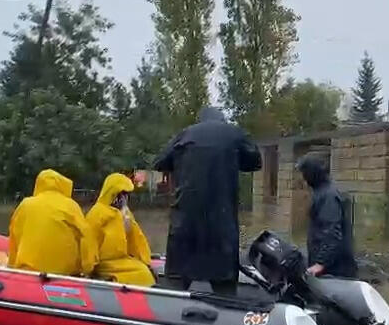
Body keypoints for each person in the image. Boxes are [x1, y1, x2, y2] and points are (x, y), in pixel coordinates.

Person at [153, 107, 262, 295]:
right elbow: (255, 162)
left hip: (186, 223)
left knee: (177, 283)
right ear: (222, 119)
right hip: (221, 223)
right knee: (224, 285)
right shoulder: (234, 134)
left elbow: (159, 162)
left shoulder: (184, 135)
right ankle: (227, 314)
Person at [8, 169, 97, 276]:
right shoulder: (71, 206)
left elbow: (14, 237)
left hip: (27, 271)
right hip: (62, 273)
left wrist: (11, 267)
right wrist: (87, 268)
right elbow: (86, 236)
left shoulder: (25, 204)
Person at [86, 173, 154, 287]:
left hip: (121, 260)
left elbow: (137, 241)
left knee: (143, 271)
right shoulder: (97, 213)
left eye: (126, 194)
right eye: (121, 194)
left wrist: (146, 261)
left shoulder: (126, 214)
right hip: (104, 263)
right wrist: (88, 269)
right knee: (142, 274)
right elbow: (89, 241)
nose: (124, 198)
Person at [296, 155, 357, 278]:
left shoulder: (328, 196)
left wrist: (321, 263)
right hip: (332, 265)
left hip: (335, 269)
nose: (302, 179)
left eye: (303, 173)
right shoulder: (323, 192)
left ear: (311, 173)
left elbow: (332, 231)